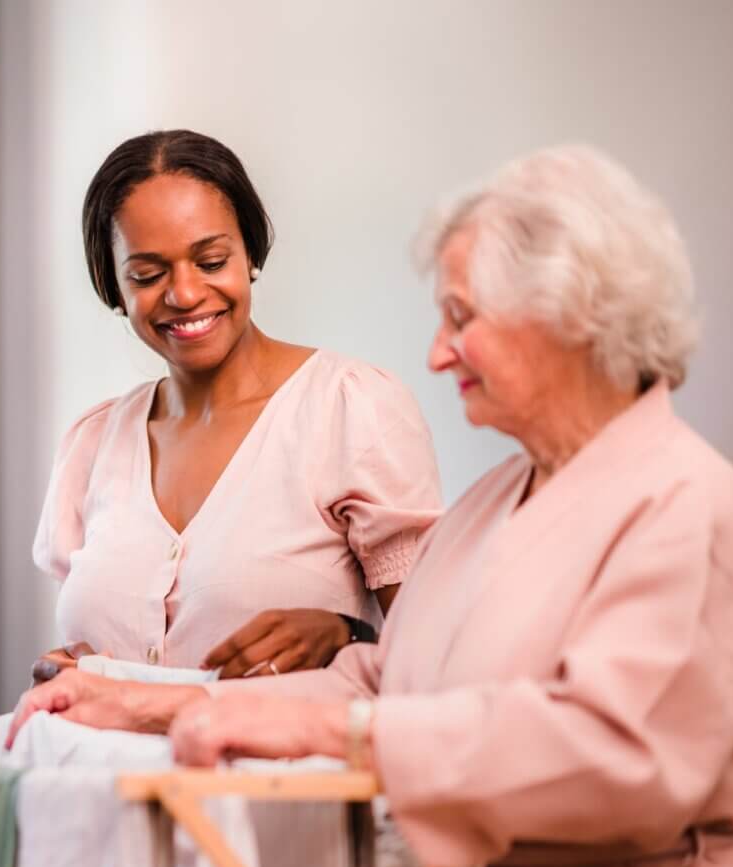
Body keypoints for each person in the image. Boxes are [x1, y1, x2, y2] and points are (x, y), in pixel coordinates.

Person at [11, 146, 733, 867]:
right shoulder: (501, 499)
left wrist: (330, 733)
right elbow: (388, 679)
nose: (437, 351)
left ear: (572, 320)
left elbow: (614, 754)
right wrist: (139, 702)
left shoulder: (687, 505)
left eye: (462, 319)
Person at [30, 128, 441, 691]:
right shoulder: (93, 443)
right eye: (147, 275)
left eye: (211, 260)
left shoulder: (349, 408)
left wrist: (348, 634)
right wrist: (67, 675)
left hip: (283, 779)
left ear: (250, 253)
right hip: (103, 775)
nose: (184, 293)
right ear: (114, 286)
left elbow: (441, 655)